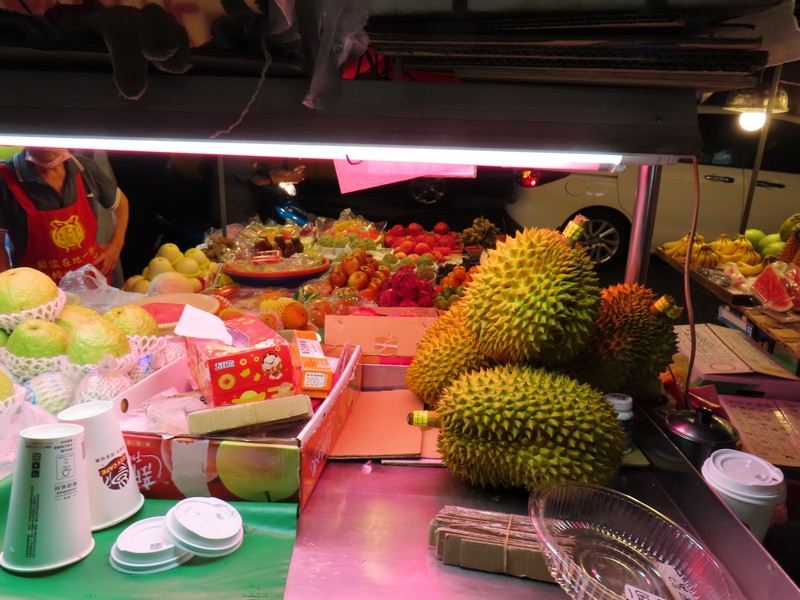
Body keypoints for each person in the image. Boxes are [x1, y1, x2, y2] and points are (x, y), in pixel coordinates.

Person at [0, 147, 129, 284]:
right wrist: (5, 286)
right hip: (39, 287)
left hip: (90, 283)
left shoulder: (85, 168)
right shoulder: (5, 177)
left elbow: (121, 203)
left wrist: (116, 245)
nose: (46, 145)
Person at [209, 156, 307, 228]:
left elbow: (269, 173)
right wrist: (289, 178)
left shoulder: (249, 159)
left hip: (247, 212)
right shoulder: (235, 159)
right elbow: (260, 181)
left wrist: (291, 173)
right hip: (233, 216)